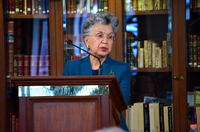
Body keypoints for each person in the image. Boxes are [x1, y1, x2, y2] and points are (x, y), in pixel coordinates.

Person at [63, 11, 131, 131]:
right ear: (87, 41)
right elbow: (64, 100)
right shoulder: (72, 67)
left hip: (111, 126)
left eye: (109, 37)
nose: (105, 41)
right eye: (99, 35)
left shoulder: (122, 68)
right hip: (78, 125)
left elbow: (122, 103)